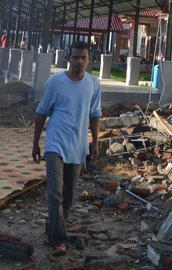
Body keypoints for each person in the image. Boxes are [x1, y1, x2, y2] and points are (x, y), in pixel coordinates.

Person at [32, 41, 101, 257]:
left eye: (83, 58)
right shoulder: (55, 83)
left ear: (89, 60)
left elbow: (94, 115)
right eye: (75, 57)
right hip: (55, 143)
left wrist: (95, 142)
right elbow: (42, 112)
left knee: (69, 194)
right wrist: (35, 143)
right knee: (55, 191)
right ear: (68, 59)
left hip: (78, 146)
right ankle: (59, 240)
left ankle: (54, 228)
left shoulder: (93, 84)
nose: (79, 62)